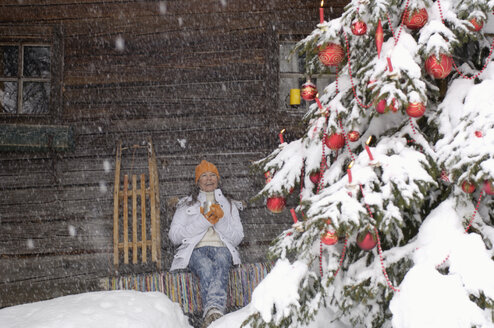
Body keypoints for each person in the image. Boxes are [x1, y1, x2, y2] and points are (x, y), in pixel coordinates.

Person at [169, 160, 244, 328]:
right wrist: (204, 221)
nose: (209, 179)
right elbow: (174, 236)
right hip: (195, 250)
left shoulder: (230, 204)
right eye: (204, 175)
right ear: (198, 181)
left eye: (212, 175)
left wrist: (219, 222)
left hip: (222, 248)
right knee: (204, 266)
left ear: (218, 179)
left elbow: (238, 237)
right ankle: (216, 312)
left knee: (222, 259)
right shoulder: (186, 204)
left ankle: (212, 312)